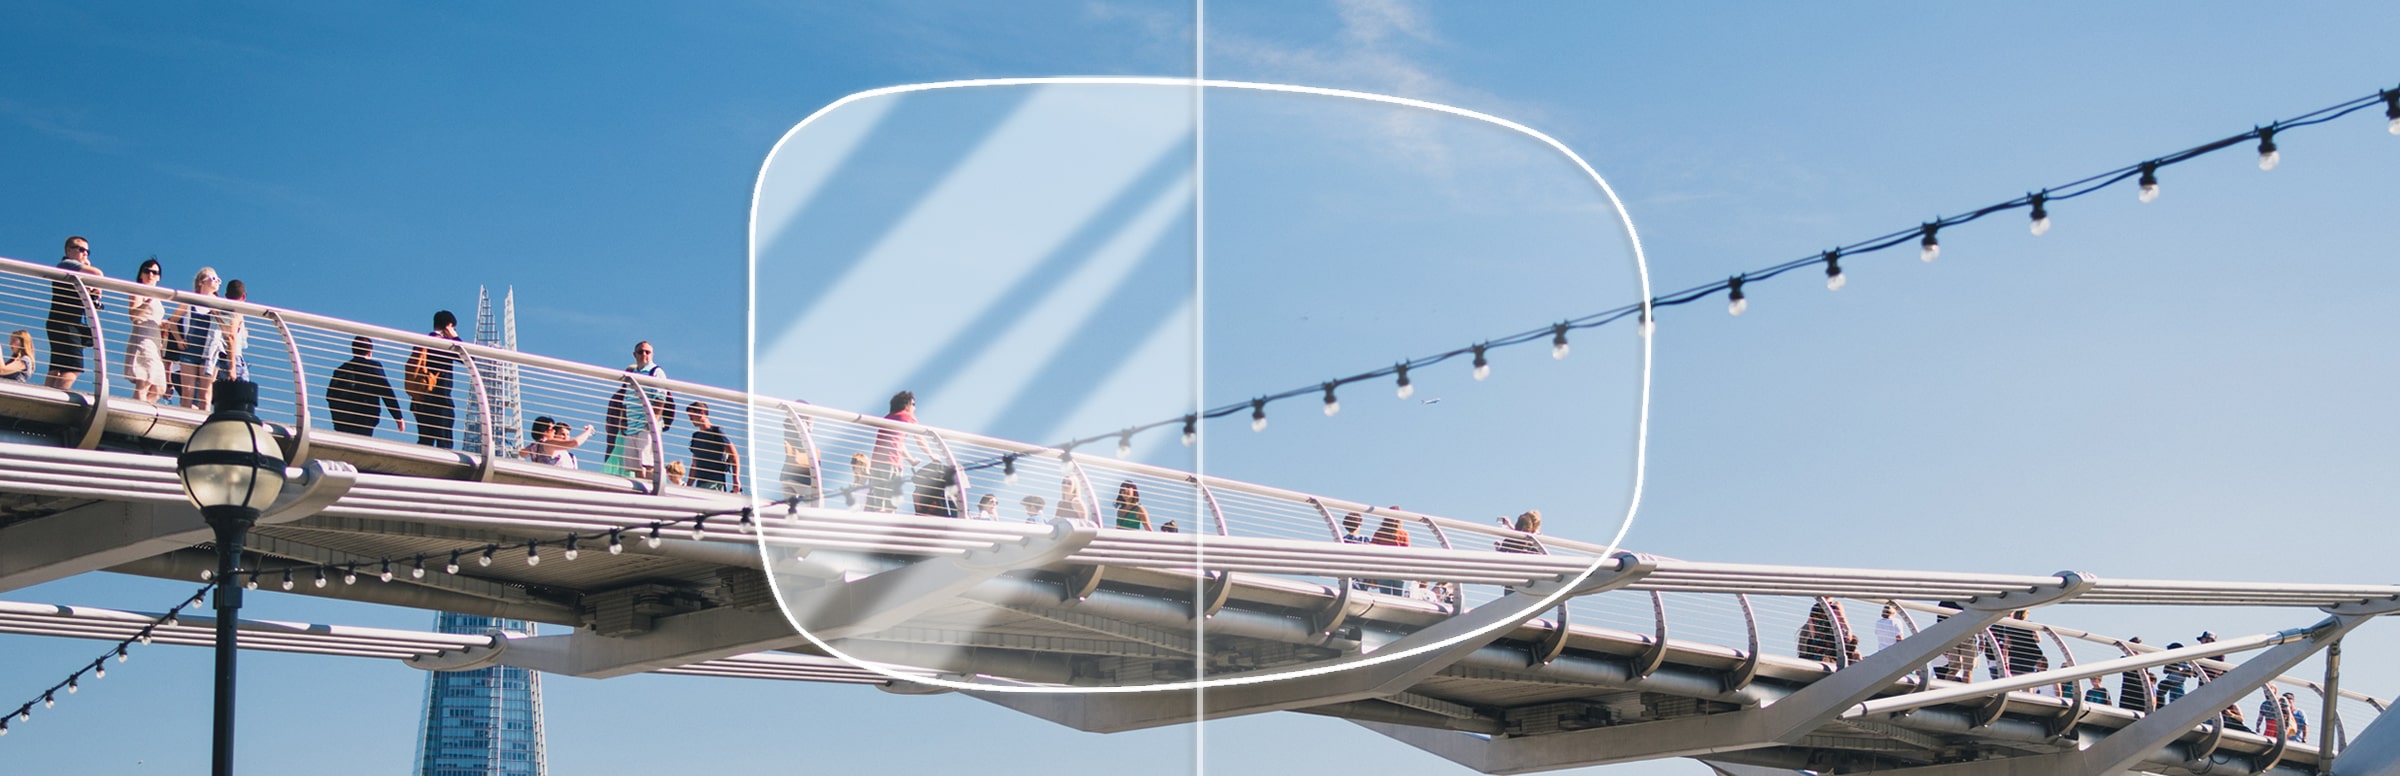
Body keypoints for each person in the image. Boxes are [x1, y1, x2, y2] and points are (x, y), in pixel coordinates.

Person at [603, 341, 673, 477]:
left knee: (648, 463)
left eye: (647, 352)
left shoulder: (656, 372)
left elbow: (660, 398)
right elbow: (626, 402)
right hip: (631, 427)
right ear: (634, 354)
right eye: (641, 352)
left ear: (652, 354)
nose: (644, 355)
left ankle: (653, 493)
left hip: (646, 426)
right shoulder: (633, 375)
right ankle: (641, 492)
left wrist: (653, 420)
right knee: (634, 467)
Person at [45, 236, 104, 390]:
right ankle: (58, 399)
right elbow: (98, 274)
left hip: (60, 322)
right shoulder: (67, 264)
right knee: (73, 367)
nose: (85, 254)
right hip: (66, 324)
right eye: (81, 249)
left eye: (87, 251)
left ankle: (46, 398)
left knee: (57, 367)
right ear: (69, 250)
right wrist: (88, 267)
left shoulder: (75, 273)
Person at [326, 336, 406, 436]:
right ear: (370, 352)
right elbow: (386, 392)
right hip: (365, 419)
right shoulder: (373, 367)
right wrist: (398, 417)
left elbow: (330, 395)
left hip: (343, 420)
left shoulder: (341, 369)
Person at [406, 310, 464, 448]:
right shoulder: (444, 344)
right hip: (440, 401)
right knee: (444, 443)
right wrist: (455, 338)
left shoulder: (423, 343)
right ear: (449, 326)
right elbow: (468, 358)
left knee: (425, 442)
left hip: (421, 400)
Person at [867, 391, 933, 511]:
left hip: (876, 464)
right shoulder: (907, 417)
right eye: (913, 404)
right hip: (892, 462)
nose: (915, 407)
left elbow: (898, 443)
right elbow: (920, 438)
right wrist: (932, 455)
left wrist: (911, 460)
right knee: (891, 503)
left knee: (878, 503)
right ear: (906, 405)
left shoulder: (888, 418)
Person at [166, 267, 221, 409]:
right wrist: (179, 340)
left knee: (205, 394)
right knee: (187, 394)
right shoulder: (191, 301)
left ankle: (204, 427)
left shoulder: (220, 304)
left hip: (209, 352)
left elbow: (228, 328)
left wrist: (218, 314)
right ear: (201, 282)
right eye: (212, 278)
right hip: (190, 350)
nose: (216, 282)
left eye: (217, 279)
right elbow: (172, 321)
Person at [122, 257, 167, 403]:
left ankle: (141, 409)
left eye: (155, 272)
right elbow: (133, 314)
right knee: (145, 379)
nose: (151, 275)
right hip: (142, 338)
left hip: (154, 340)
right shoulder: (139, 291)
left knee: (160, 387)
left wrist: (164, 325)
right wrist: (146, 303)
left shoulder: (157, 297)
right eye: (147, 271)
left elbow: (155, 318)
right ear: (141, 274)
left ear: (159, 277)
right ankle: (138, 412)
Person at [685, 401, 740, 492]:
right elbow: (694, 464)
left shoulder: (716, 431)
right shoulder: (696, 437)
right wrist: (688, 485)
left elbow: (734, 454)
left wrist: (735, 480)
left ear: (701, 413)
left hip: (715, 482)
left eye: (692, 415)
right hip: (701, 483)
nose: (690, 419)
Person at [209, 279, 251, 381]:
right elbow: (230, 337)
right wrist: (232, 368)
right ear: (243, 296)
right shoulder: (235, 312)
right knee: (242, 394)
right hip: (233, 358)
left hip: (219, 358)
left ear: (226, 295)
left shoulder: (219, 311)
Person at [1799, 599, 1860, 664]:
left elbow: (1812, 629)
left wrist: (1815, 640)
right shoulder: (1835, 605)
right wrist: (1848, 631)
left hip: (1822, 642)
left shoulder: (1815, 608)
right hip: (1834, 640)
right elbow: (1842, 620)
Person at [520, 416, 593, 467]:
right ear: (544, 431)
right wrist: (588, 431)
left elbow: (522, 453)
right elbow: (575, 443)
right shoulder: (548, 443)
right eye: (551, 428)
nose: (554, 431)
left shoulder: (534, 446)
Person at [1367, 516, 1411, 594]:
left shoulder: (1379, 533)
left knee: (1385, 597)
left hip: (1384, 569)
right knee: (1398, 598)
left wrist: (1372, 575)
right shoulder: (1403, 534)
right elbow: (1407, 554)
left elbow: (1373, 552)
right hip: (1399, 570)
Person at [2119, 637, 2155, 712]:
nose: (2137, 651)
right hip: (2128, 695)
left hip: (2142, 695)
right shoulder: (2125, 660)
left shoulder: (2144, 662)